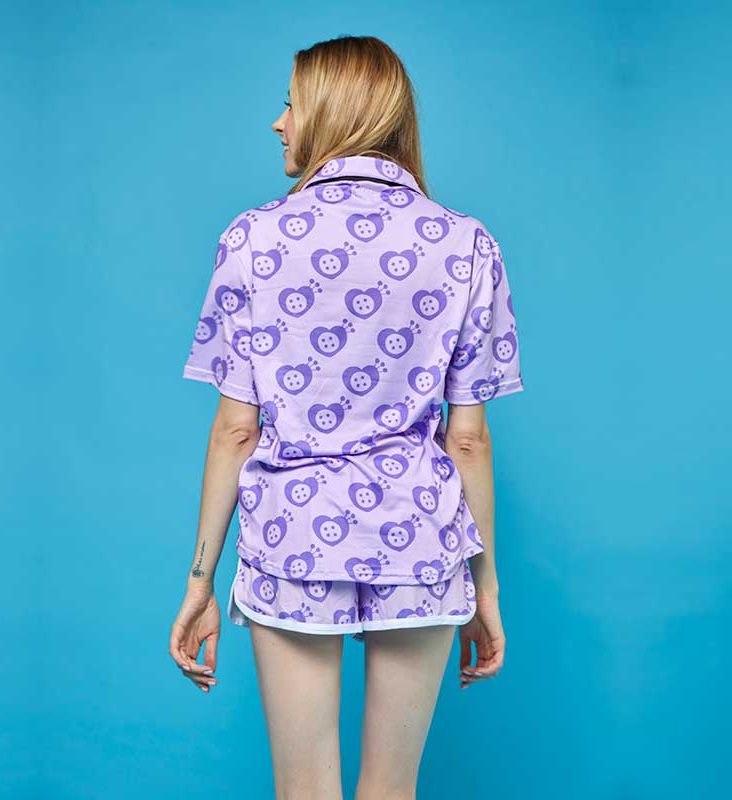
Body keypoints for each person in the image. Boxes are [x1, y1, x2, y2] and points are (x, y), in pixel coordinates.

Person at [170, 34, 524, 800]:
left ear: (333, 110)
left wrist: (200, 580)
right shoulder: (467, 245)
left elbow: (236, 429)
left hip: (291, 535)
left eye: (291, 104)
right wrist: (484, 587)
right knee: (393, 791)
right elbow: (467, 438)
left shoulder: (253, 239)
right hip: (420, 538)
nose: (279, 123)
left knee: (304, 791)